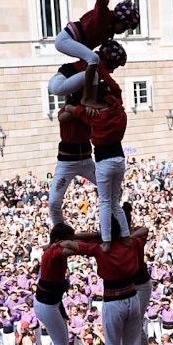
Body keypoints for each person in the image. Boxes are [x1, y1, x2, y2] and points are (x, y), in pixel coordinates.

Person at [59, 68, 130, 247]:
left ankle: (106, 241)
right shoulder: (120, 112)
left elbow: (73, 110)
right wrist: (102, 72)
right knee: (114, 202)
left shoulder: (95, 117)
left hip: (103, 162)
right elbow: (117, 90)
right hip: (120, 160)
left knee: (105, 203)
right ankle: (126, 235)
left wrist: (70, 105)